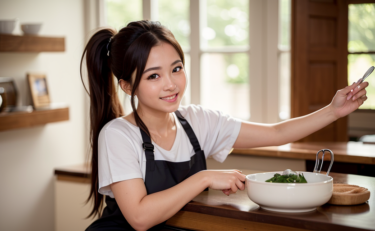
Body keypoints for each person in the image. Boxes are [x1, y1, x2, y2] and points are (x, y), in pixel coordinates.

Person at [80, 20, 368, 231]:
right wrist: (204, 178)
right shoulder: (117, 135)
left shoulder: (198, 121)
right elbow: (140, 218)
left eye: (176, 68)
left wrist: (333, 111)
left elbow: (277, 133)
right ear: (128, 86)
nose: (171, 84)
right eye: (153, 76)